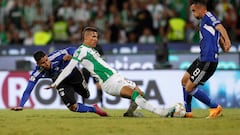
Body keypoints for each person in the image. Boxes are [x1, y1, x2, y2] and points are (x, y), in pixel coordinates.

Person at [46, 26, 175, 117]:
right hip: (109, 82)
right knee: (135, 95)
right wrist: (56, 83)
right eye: (93, 36)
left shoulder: (92, 50)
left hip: (117, 77)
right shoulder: (81, 51)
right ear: (85, 38)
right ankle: (162, 112)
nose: (96, 39)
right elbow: (69, 68)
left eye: (97, 36)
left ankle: (130, 113)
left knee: (140, 92)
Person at [11, 47, 108, 117]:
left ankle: (82, 85)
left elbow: (71, 49)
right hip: (61, 82)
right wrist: (21, 105)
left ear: (47, 57)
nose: (46, 63)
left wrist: (72, 56)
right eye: (43, 63)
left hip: (74, 74)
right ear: (38, 64)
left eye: (46, 60)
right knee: (72, 107)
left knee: (86, 95)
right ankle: (94, 109)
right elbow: (28, 90)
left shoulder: (56, 56)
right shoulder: (37, 73)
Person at [182, 0, 231, 118]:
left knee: (189, 87)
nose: (193, 15)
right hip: (202, 58)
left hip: (207, 61)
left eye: (194, 11)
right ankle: (188, 112)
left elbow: (220, 27)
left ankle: (214, 106)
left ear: (201, 9)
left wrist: (228, 39)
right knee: (184, 80)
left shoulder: (208, 16)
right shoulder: (204, 22)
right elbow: (219, 37)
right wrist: (224, 44)